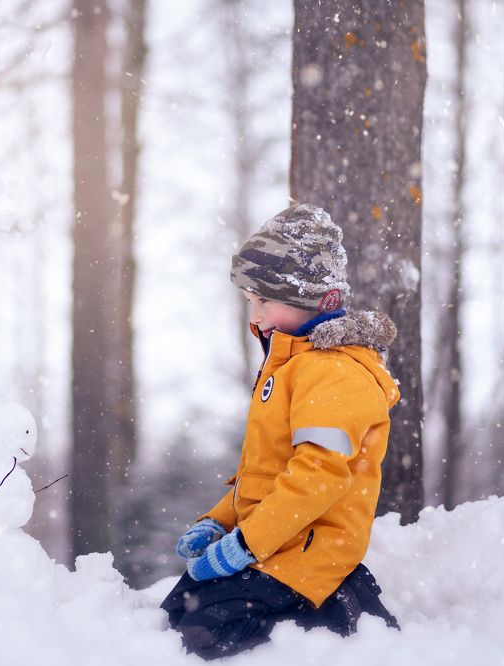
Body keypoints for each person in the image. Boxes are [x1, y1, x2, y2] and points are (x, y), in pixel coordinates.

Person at [160, 203, 402, 660]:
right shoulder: (290, 363)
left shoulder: (333, 374)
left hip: (308, 547)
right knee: (178, 612)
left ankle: (342, 607)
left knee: (202, 634)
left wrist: (244, 546)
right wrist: (220, 522)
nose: (255, 314)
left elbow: (318, 477)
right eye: (251, 301)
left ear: (311, 299)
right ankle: (323, 596)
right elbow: (265, 473)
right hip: (276, 539)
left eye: (263, 300)